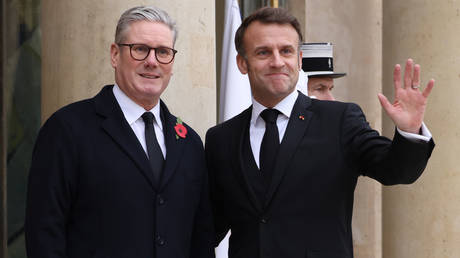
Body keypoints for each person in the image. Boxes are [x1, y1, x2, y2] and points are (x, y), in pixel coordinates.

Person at [205, 7, 435, 258]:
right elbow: (208, 227)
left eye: (286, 51)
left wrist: (409, 130)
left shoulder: (339, 120)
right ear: (242, 63)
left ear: (299, 60)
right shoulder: (221, 139)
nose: (277, 61)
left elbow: (395, 170)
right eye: (263, 52)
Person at [25, 6, 215, 258]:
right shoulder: (67, 129)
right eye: (139, 49)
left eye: (163, 52)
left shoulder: (189, 142)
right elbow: (44, 234)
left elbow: (200, 240)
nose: (152, 61)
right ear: (115, 55)